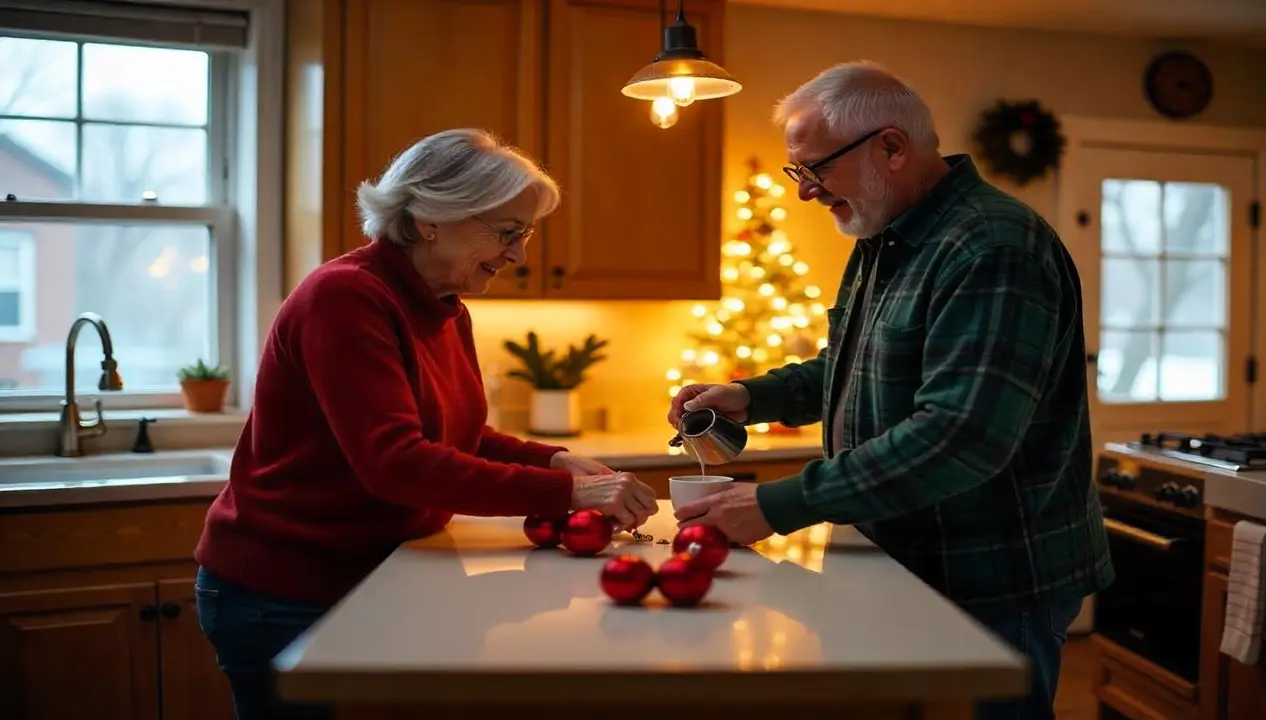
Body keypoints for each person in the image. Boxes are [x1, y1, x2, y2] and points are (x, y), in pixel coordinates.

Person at [668, 62, 1113, 720]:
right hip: (911, 559)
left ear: (892, 147)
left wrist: (778, 504)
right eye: (800, 173)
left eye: (814, 169)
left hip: (993, 576)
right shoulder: (888, 237)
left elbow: (961, 438)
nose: (805, 193)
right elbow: (856, 366)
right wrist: (751, 398)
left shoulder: (992, 248)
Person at [194, 128, 659, 720]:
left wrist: (551, 460)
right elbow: (396, 462)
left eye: (525, 234)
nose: (518, 255)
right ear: (432, 218)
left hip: (373, 575)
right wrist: (570, 492)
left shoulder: (443, 307)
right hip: (284, 591)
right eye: (507, 233)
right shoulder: (346, 297)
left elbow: (453, 436)